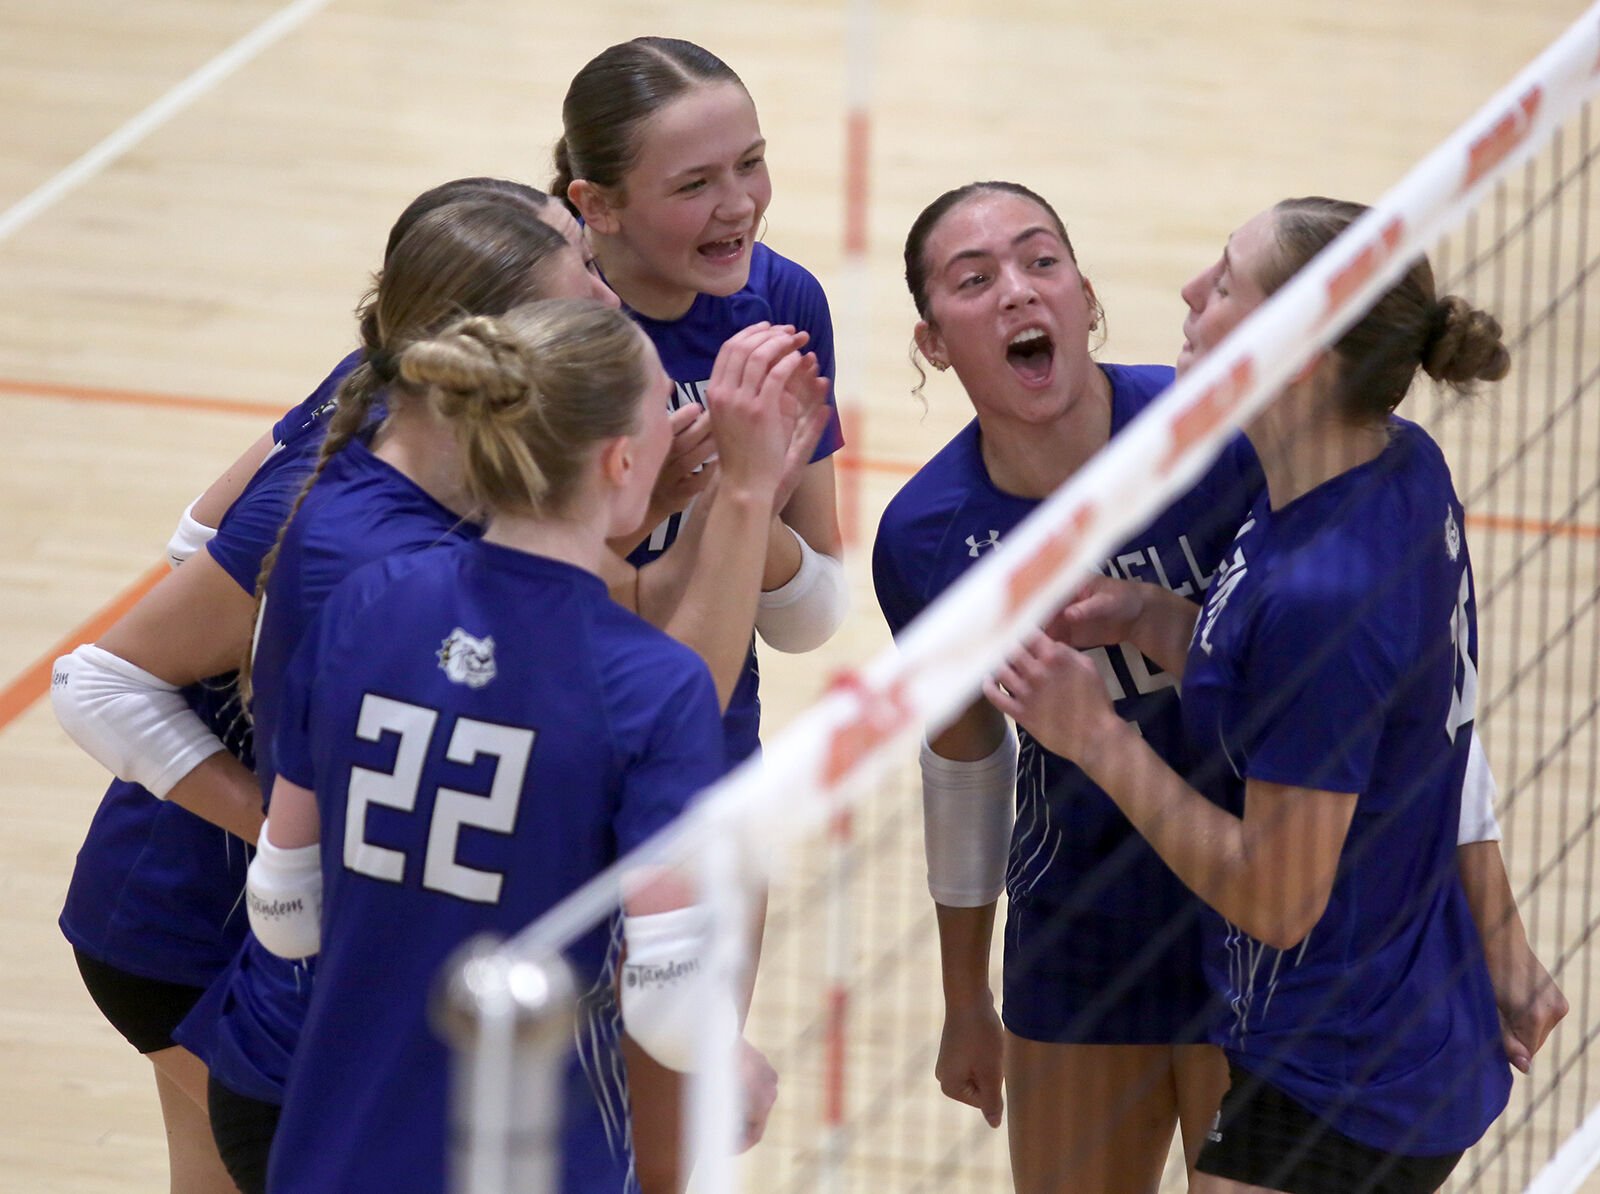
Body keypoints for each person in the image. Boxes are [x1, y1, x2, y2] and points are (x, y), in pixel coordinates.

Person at [984, 196, 1561, 1192]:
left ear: (1298, 354)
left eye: (1223, 281)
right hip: (1388, 1011)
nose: (1189, 293)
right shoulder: (1387, 467)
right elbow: (1389, 724)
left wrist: (1098, 740)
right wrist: (1149, 619)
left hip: (1343, 1076)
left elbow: (1277, 899)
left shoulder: (1323, 594)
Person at [50, 180, 608, 1194]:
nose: (609, 313)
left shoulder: (408, 408)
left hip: (270, 936)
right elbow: (97, 681)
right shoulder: (345, 506)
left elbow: (193, 539)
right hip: (186, 925)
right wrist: (283, 817)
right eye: (580, 300)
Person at [248, 299, 759, 1193]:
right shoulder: (652, 684)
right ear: (620, 460)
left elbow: (283, 916)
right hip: (537, 1156)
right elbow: (670, 1013)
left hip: (332, 1142)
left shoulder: (366, 604)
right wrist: (734, 1062)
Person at [873, 181, 1256, 1194]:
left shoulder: (1218, 437)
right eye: (974, 279)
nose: (1015, 293)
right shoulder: (925, 539)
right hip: (1082, 930)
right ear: (933, 343)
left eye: (1041, 263)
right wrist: (965, 995)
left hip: (1265, 902)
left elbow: (1359, 684)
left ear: (1087, 299)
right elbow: (961, 756)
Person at [554, 35, 849, 766]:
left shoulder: (782, 303)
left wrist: (743, 498)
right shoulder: (536, 316)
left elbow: (810, 618)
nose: (739, 205)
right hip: (546, 727)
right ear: (598, 206)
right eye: (694, 186)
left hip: (704, 728)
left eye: (751, 163)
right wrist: (711, 502)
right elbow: (494, 586)